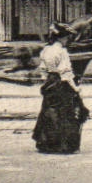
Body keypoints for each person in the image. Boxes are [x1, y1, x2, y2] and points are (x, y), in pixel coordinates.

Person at [33, 23, 87, 154]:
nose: (68, 40)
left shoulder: (46, 50)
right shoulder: (62, 52)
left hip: (50, 82)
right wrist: (76, 88)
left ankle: (46, 143)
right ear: (62, 38)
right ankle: (62, 145)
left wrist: (48, 80)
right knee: (64, 112)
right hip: (61, 84)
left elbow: (43, 69)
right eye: (67, 37)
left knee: (48, 110)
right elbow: (66, 73)